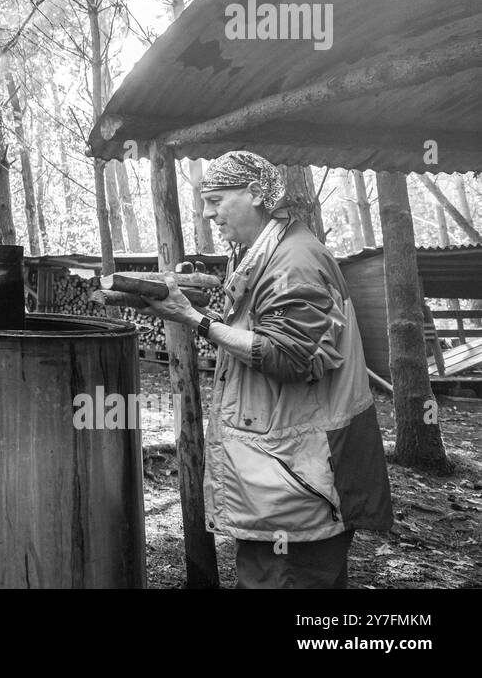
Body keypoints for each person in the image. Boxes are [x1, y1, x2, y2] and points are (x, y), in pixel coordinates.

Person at [140, 150, 393, 588]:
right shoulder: (268, 250)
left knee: (283, 577)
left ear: (256, 193)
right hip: (285, 474)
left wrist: (198, 321)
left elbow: (288, 355)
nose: (208, 214)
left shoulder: (294, 261)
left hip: (301, 476)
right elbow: (268, 322)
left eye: (216, 200)